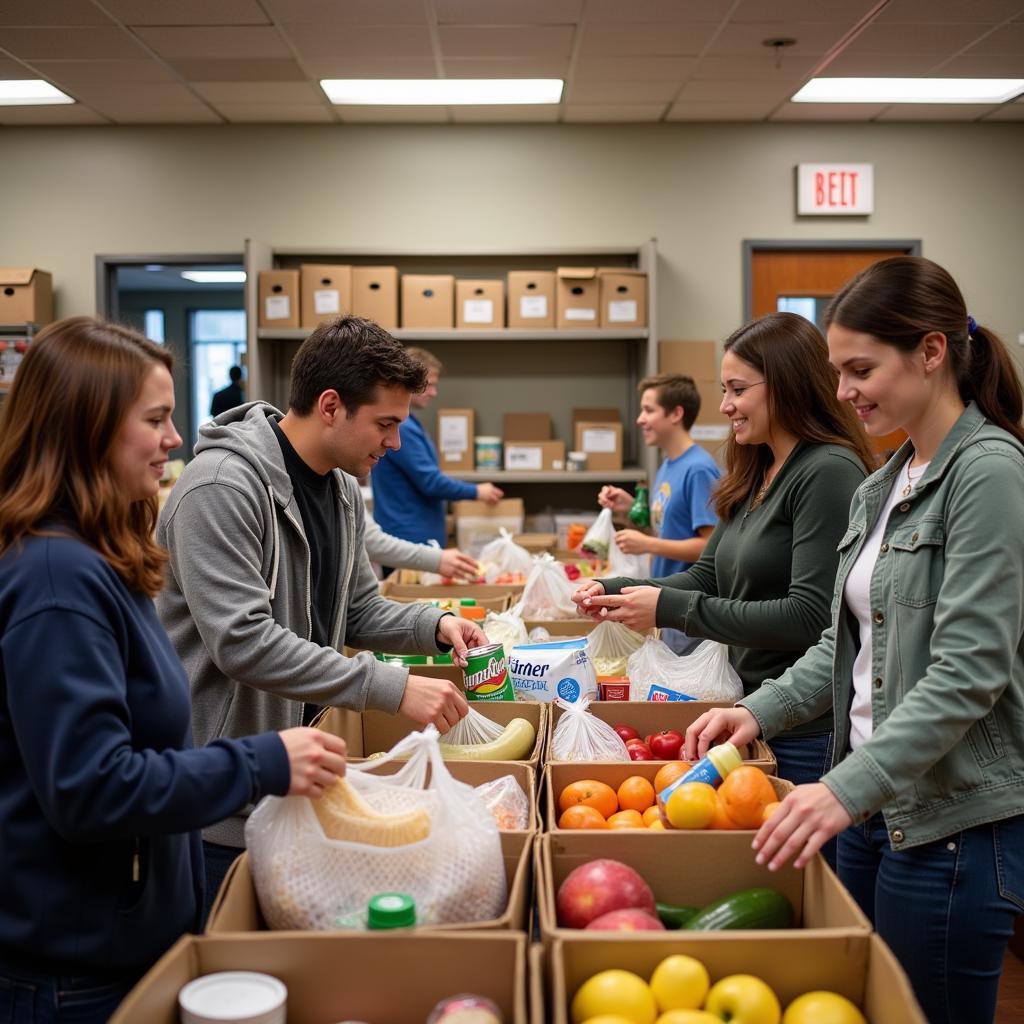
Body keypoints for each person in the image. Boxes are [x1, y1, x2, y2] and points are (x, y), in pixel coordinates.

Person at [685, 257, 1024, 1024]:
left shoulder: (989, 473)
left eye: (861, 368)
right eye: (837, 371)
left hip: (949, 821)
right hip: (869, 808)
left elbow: (969, 673)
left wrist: (845, 787)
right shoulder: (885, 483)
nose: (842, 392)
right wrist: (761, 711)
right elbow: (845, 647)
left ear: (932, 352)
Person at [0, 317, 347, 1023]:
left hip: (122, 942)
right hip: (71, 971)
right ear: (86, 428)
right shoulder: (54, 581)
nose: (175, 438)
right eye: (155, 419)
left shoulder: (100, 556)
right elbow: (91, 788)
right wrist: (259, 761)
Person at [156, 316, 480, 916]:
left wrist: (431, 626)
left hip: (293, 778)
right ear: (331, 406)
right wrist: (391, 686)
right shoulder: (222, 488)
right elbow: (243, 641)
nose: (394, 443)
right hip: (218, 803)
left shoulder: (340, 488)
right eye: (385, 424)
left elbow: (355, 607)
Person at [574, 313, 875, 809]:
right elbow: (709, 576)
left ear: (785, 386)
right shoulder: (756, 466)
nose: (724, 405)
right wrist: (615, 587)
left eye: (737, 389)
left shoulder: (827, 472)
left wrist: (669, 609)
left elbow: (810, 617)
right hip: (745, 705)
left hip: (803, 728)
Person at [597, 373, 720, 653]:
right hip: (666, 608)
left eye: (649, 410)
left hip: (687, 611)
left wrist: (648, 545)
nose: (640, 419)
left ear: (676, 413)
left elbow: (709, 548)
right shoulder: (668, 465)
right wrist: (629, 508)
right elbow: (668, 530)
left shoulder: (698, 468)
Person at [371, 347, 503, 553]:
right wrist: (476, 491)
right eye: (429, 385)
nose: (434, 393)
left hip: (413, 536)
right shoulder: (404, 428)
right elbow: (430, 482)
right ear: (410, 381)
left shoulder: (409, 423)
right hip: (410, 540)